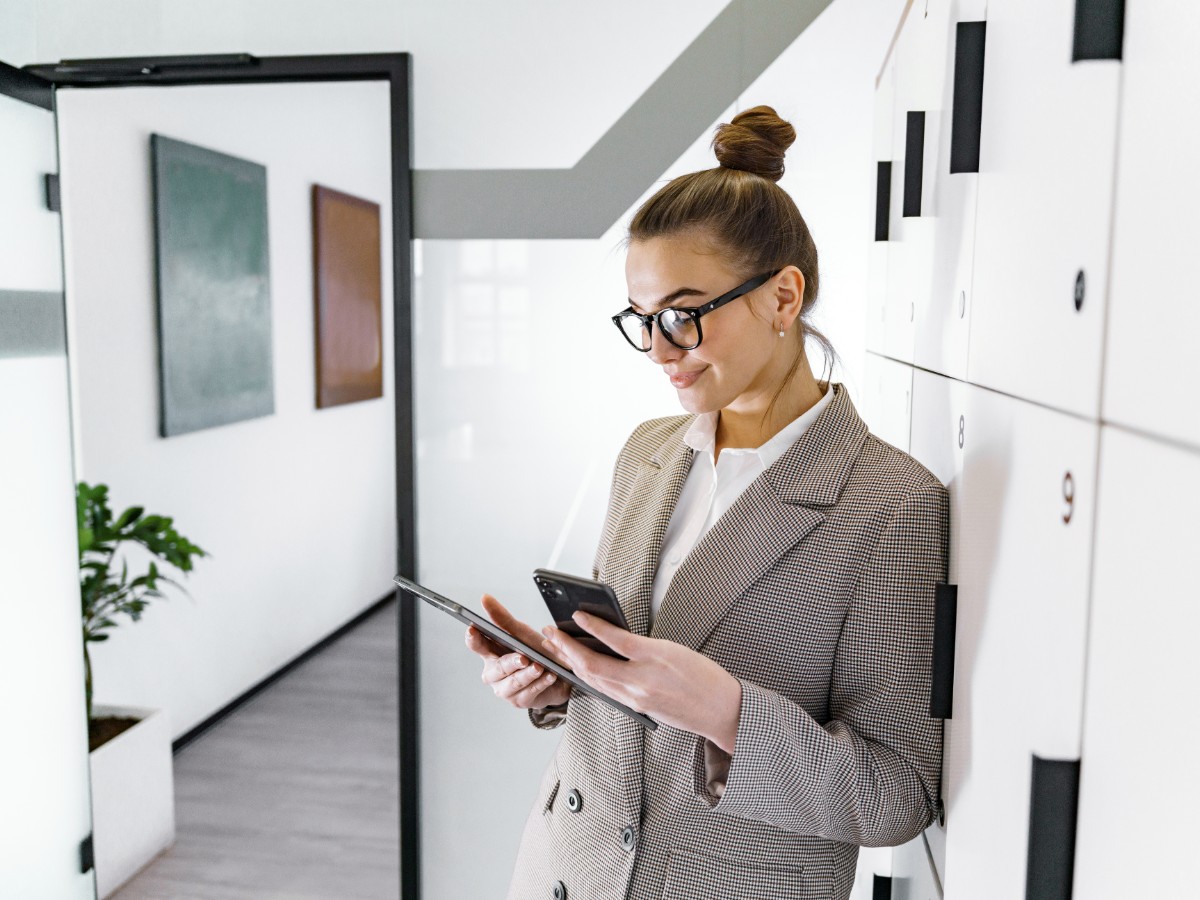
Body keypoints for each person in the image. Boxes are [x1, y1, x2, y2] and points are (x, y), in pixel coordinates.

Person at [465, 105, 949, 900]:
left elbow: (895, 794)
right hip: (565, 868)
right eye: (643, 320)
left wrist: (728, 712)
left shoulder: (890, 506)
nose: (659, 350)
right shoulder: (648, 452)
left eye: (683, 316)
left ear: (783, 298)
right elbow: (633, 680)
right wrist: (562, 677)